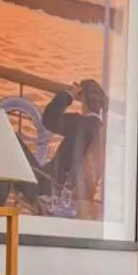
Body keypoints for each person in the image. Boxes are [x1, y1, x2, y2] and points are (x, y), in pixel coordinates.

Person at [37, 78, 108, 218]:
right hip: (75, 192)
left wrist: (69, 95)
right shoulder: (101, 131)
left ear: (82, 97)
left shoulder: (79, 123)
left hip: (49, 184)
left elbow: (49, 119)